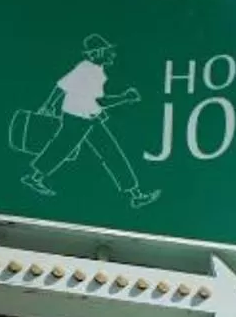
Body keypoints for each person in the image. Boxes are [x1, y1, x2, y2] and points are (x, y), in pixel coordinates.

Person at [19, 32, 160, 207]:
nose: (112, 54)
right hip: (78, 118)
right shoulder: (86, 69)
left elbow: (82, 94)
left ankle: (135, 194)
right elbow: (65, 87)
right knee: (65, 149)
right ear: (97, 53)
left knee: (104, 152)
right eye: (108, 51)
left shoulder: (95, 71)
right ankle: (34, 178)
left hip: (87, 117)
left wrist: (118, 100)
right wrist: (124, 98)